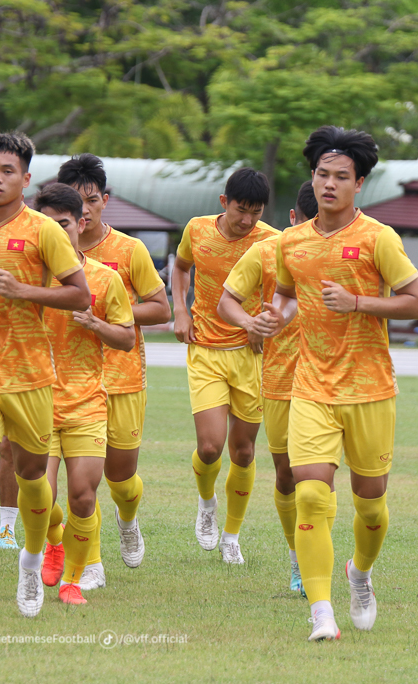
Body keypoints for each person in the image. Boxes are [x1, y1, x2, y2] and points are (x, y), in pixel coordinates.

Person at [253, 126, 418, 641]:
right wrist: (271, 318)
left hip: (371, 389)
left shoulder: (378, 239)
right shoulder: (292, 242)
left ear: (359, 186)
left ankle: (360, 574)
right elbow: (286, 297)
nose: (329, 184)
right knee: (310, 496)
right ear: (313, 178)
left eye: (341, 177)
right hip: (310, 387)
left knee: (370, 504)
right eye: (322, 175)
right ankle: (321, 612)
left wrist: (359, 303)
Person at [0, 132, 90, 621]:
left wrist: (25, 291)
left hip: (29, 378)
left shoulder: (44, 231)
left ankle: (30, 562)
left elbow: (79, 295)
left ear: (26, 179)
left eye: (7, 171)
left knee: (31, 480)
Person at [55, 154, 170, 588]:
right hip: (68, 384)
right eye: (74, 205)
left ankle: (128, 517)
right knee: (83, 484)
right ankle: (91, 564)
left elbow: (161, 309)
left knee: (120, 478)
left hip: (122, 379)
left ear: (105, 200)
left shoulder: (129, 250)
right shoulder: (45, 250)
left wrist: (111, 315)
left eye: (91, 202)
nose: (83, 213)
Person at [217, 180, 333, 593]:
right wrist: (251, 323)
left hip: (334, 382)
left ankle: (317, 560)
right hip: (282, 382)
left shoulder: (347, 247)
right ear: (292, 220)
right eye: (307, 225)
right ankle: (296, 556)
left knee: (318, 478)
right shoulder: (267, 251)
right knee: (287, 475)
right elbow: (226, 300)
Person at [35, 183, 135, 604]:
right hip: (36, 403)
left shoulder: (104, 279)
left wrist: (96, 325)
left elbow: (127, 339)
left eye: (63, 224)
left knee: (83, 495)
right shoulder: (28, 279)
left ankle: (74, 581)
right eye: (48, 226)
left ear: (81, 223)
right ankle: (53, 540)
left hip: (87, 404)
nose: (56, 233)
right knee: (43, 496)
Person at [171, 168, 277, 564]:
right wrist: (179, 310)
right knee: (211, 447)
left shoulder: (271, 241)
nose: (247, 220)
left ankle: (232, 534)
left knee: (244, 452)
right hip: (206, 349)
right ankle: (206, 504)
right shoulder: (197, 230)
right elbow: (181, 268)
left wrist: (264, 326)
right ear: (223, 203)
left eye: (255, 211)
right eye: (240, 210)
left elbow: (286, 292)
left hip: (252, 355)